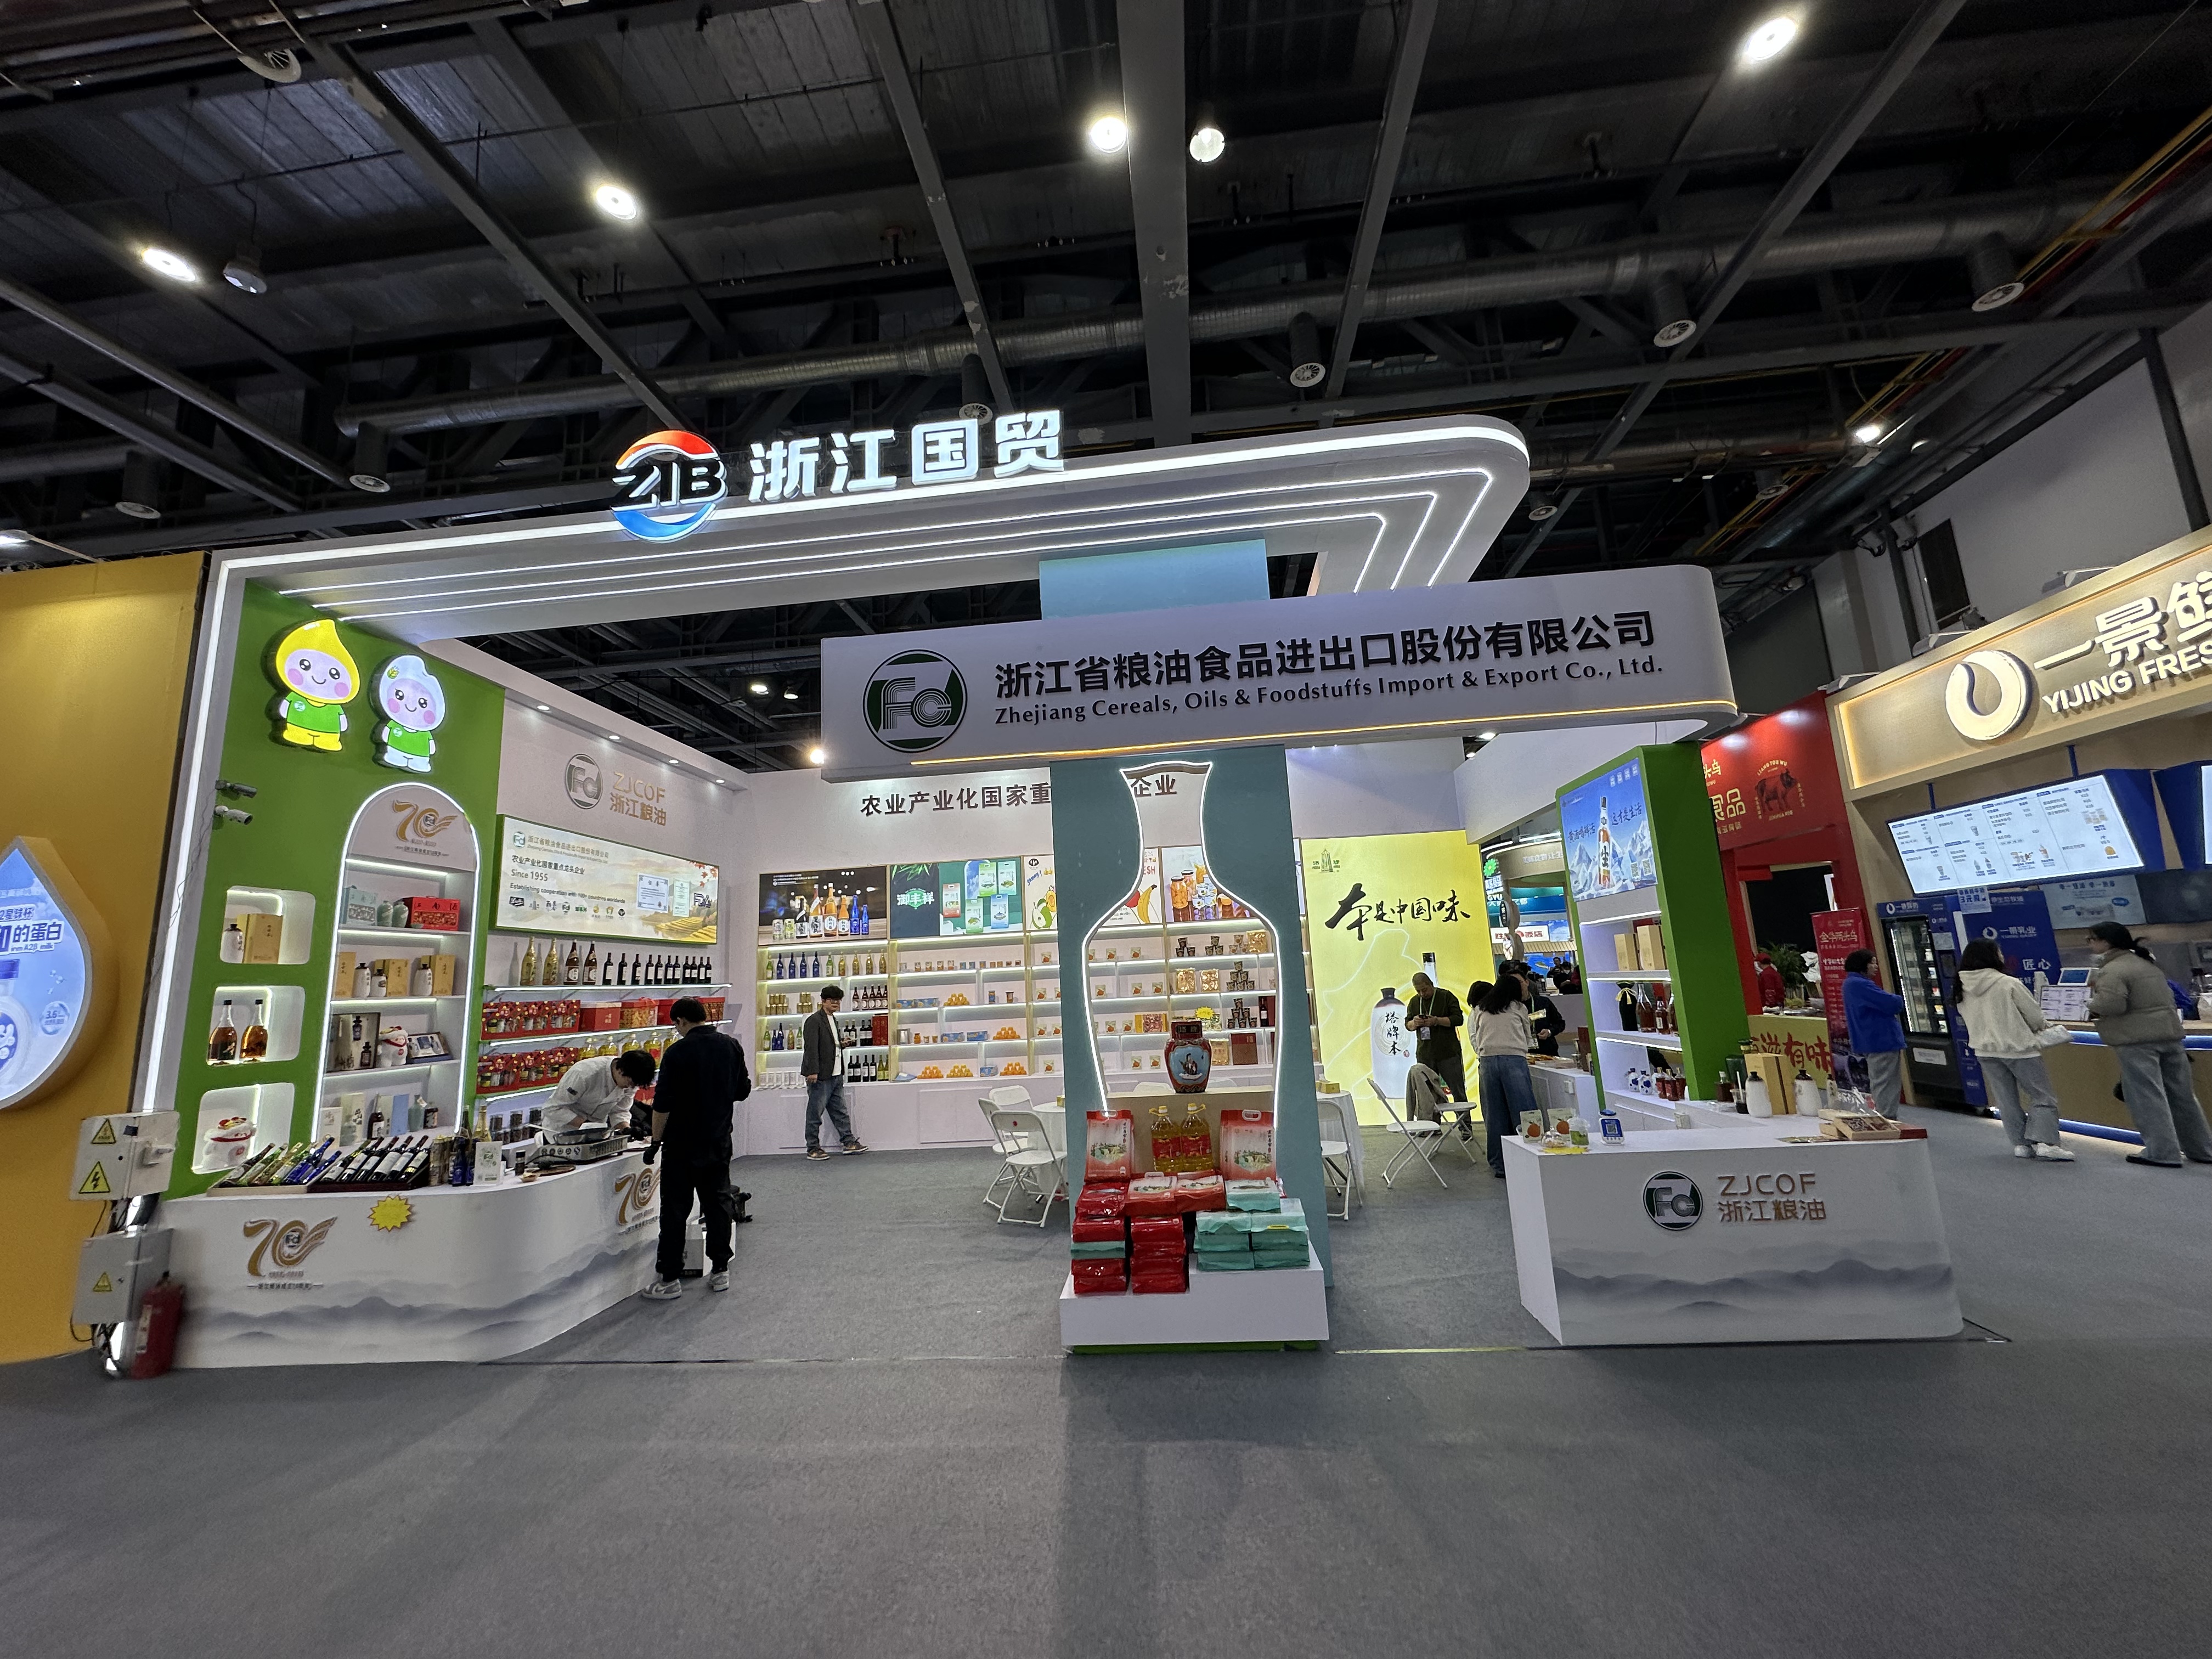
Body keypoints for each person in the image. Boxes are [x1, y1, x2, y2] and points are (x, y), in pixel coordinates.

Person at [640, 997, 751, 1300]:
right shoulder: (730, 1046)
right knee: (718, 1203)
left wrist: (655, 1141)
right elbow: (743, 1090)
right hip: (718, 1139)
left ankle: (669, 1279)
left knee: (675, 1210)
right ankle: (720, 1270)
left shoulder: (676, 1052)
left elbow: (662, 1105)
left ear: (681, 1021)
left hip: (681, 1144)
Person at [2087, 921, 2212, 1168]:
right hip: (2170, 1036)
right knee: (2183, 1096)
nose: (2089, 944)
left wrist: (2090, 1005)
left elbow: (2113, 1005)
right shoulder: (2147, 964)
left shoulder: (2112, 970)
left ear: (2106, 942)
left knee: (2147, 1096)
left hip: (2137, 1041)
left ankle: (2162, 1151)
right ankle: (2201, 1149)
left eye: (2091, 939)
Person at [1952, 939, 2073, 1162]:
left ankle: (2021, 1144)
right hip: (2019, 1049)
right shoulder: (2008, 983)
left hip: (1985, 1051)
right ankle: (2045, 1142)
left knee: (2006, 1100)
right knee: (2042, 1096)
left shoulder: (1961, 986)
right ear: (1992, 956)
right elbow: (2035, 1017)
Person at [1472, 972, 1537, 1180]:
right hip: (1514, 1060)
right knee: (1524, 1110)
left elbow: (1478, 1036)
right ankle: (1530, 1157)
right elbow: (1527, 1036)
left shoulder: (1482, 1008)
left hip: (1487, 1062)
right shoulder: (1518, 1008)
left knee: (1495, 1115)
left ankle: (1499, 1164)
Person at [800, 984, 868, 1160]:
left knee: (841, 1112)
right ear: (823, 1001)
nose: (836, 1003)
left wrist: (841, 1044)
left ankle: (849, 1142)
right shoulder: (814, 1021)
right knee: (815, 1114)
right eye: (832, 1000)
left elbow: (827, 1045)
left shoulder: (833, 1020)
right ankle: (812, 1148)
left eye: (838, 1000)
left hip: (836, 1074)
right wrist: (812, 1071)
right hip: (821, 1076)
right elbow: (811, 1048)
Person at [1841, 950, 1908, 1119]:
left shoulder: (1851, 983)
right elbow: (1893, 1004)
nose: (1875, 966)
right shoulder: (1859, 984)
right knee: (1886, 1083)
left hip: (1871, 1040)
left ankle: (1883, 1117)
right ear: (1862, 965)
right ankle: (1886, 1119)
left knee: (1880, 1080)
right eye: (1872, 962)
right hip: (1881, 1040)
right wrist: (1898, 999)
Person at [543, 1048, 655, 1137]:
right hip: (561, 1132)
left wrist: (626, 1130)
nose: (631, 1088)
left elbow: (619, 1111)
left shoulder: (632, 1079)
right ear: (620, 1071)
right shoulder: (584, 1074)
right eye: (631, 1083)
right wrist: (586, 1125)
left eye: (635, 1086)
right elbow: (553, 1108)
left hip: (597, 1133)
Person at [1404, 972, 1466, 1104]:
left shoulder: (1446, 996)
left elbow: (1458, 1019)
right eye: (1418, 991)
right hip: (1425, 1055)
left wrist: (1437, 1021)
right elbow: (1408, 1025)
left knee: (1458, 1091)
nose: (1422, 994)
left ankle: (1464, 1118)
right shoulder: (1414, 1002)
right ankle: (1434, 1118)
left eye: (1424, 990)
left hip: (1448, 1053)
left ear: (1431, 985)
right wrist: (1414, 1023)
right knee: (1428, 1094)